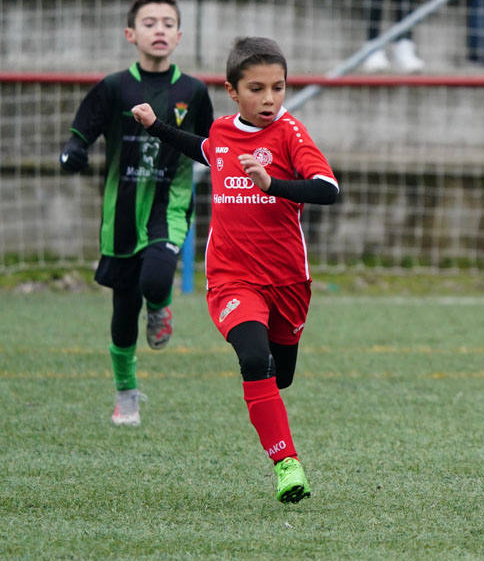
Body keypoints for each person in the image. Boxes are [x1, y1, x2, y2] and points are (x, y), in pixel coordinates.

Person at [130, 37, 339, 504]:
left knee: (278, 375)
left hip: (287, 281)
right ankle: (287, 464)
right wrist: (156, 126)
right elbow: (204, 148)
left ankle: (273, 398)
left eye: (278, 87)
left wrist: (272, 184)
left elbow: (326, 189)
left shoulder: (290, 134)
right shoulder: (224, 132)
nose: (270, 99)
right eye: (257, 88)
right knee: (252, 358)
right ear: (232, 90)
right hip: (231, 277)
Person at [58, 0, 214, 428]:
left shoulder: (194, 91)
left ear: (180, 35)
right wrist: (74, 152)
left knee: (156, 276)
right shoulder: (114, 87)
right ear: (131, 34)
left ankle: (161, 305)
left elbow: (208, 147)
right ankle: (126, 393)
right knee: (124, 312)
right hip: (122, 213)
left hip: (171, 202)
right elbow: (82, 131)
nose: (159, 29)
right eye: (149, 22)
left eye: (168, 22)